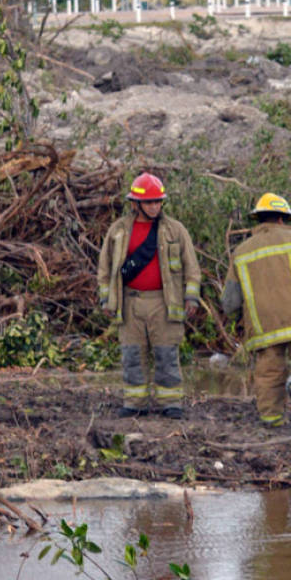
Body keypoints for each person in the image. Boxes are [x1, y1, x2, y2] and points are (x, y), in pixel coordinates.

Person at [221, 193, 291, 428]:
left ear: (258, 220)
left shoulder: (241, 252)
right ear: (283, 219)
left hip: (262, 328)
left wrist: (239, 318)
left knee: (268, 372)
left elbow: (229, 302)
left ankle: (272, 420)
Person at [98, 172, 201, 419]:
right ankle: (135, 403)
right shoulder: (118, 230)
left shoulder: (175, 230)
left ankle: (171, 402)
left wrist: (191, 297)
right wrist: (106, 300)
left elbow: (192, 268)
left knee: (166, 354)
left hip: (164, 303)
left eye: (158, 202)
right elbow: (105, 267)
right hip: (130, 302)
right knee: (132, 355)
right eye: (149, 202)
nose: (155, 206)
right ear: (135, 203)